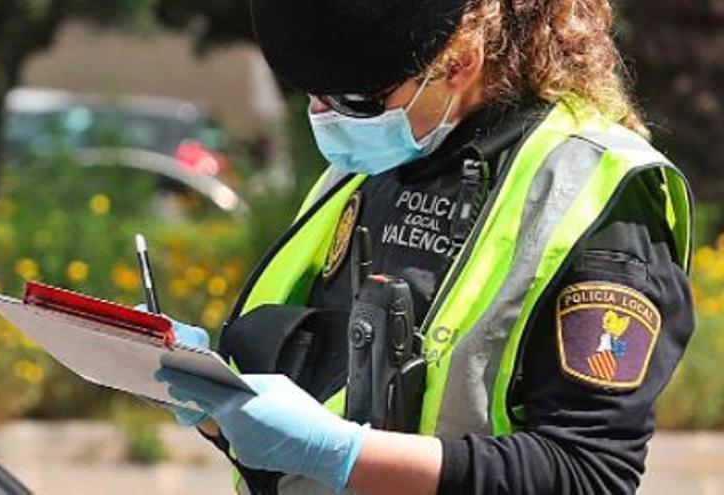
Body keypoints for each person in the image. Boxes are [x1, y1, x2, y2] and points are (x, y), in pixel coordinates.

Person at [155, 0, 696, 494]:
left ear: (460, 61)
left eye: (356, 99)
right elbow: (311, 403)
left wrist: (345, 455)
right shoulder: (365, 165)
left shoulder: (595, 191)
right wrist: (215, 402)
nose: (327, 119)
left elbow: (586, 473)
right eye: (313, 95)